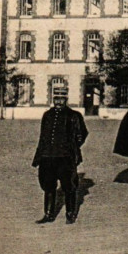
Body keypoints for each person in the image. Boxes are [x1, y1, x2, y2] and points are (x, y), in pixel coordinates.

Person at [32, 85, 88, 224]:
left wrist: (72, 147)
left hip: (65, 157)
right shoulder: (48, 115)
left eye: (61, 98)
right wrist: (40, 154)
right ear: (53, 99)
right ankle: (49, 214)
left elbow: (82, 134)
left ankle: (70, 214)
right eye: (56, 98)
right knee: (48, 186)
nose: (58, 101)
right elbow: (43, 136)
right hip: (47, 156)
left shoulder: (74, 115)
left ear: (66, 99)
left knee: (69, 186)